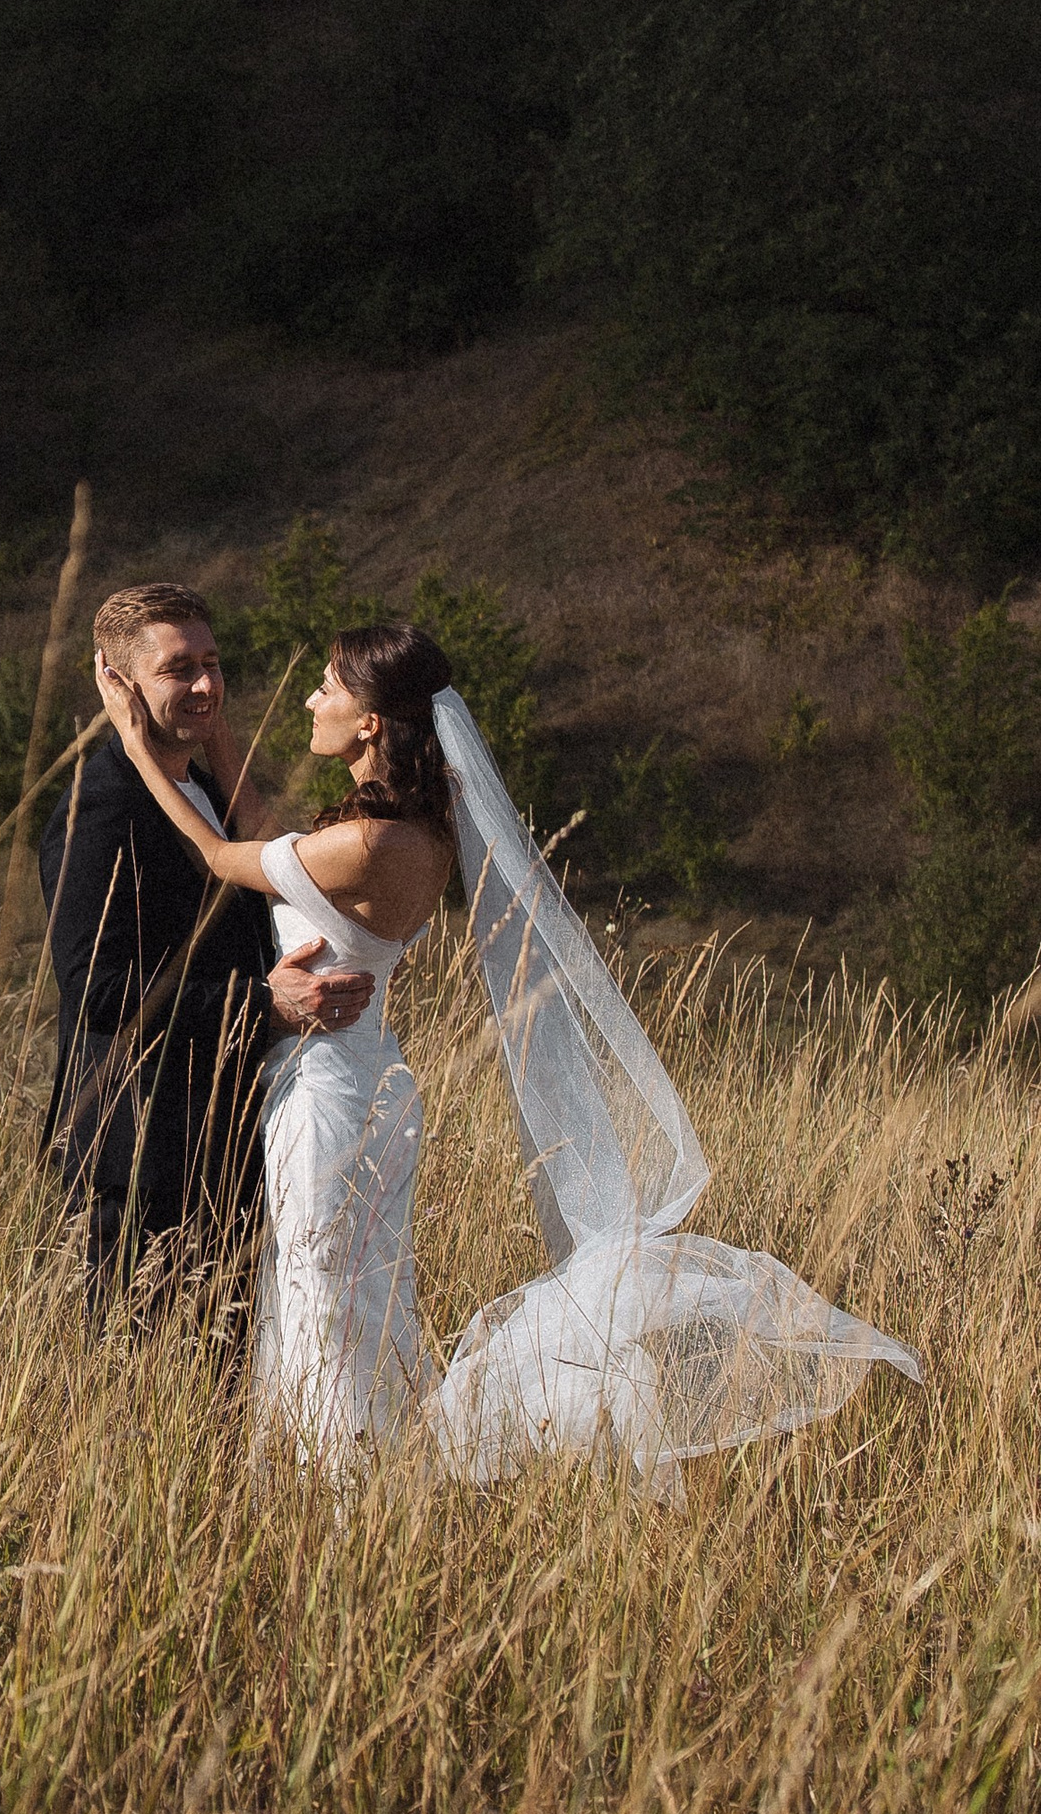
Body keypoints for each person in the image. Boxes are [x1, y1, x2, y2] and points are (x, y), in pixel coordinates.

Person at [97, 616, 922, 1483]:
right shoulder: (405, 831)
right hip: (365, 1082)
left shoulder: (371, 844)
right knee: (352, 1294)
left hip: (331, 1089)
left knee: (324, 1298)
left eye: (330, 688)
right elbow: (269, 833)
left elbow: (223, 852)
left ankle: (338, 1485)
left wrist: (134, 743)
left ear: (371, 723)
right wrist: (222, 738)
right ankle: (351, 1471)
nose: (312, 699)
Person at [39, 583, 372, 1325]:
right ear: (118, 683)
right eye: (178, 669)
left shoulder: (212, 790)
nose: (204, 685)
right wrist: (262, 1005)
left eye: (213, 663)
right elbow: (94, 986)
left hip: (232, 1143)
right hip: (144, 1154)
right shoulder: (104, 801)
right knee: (136, 1400)